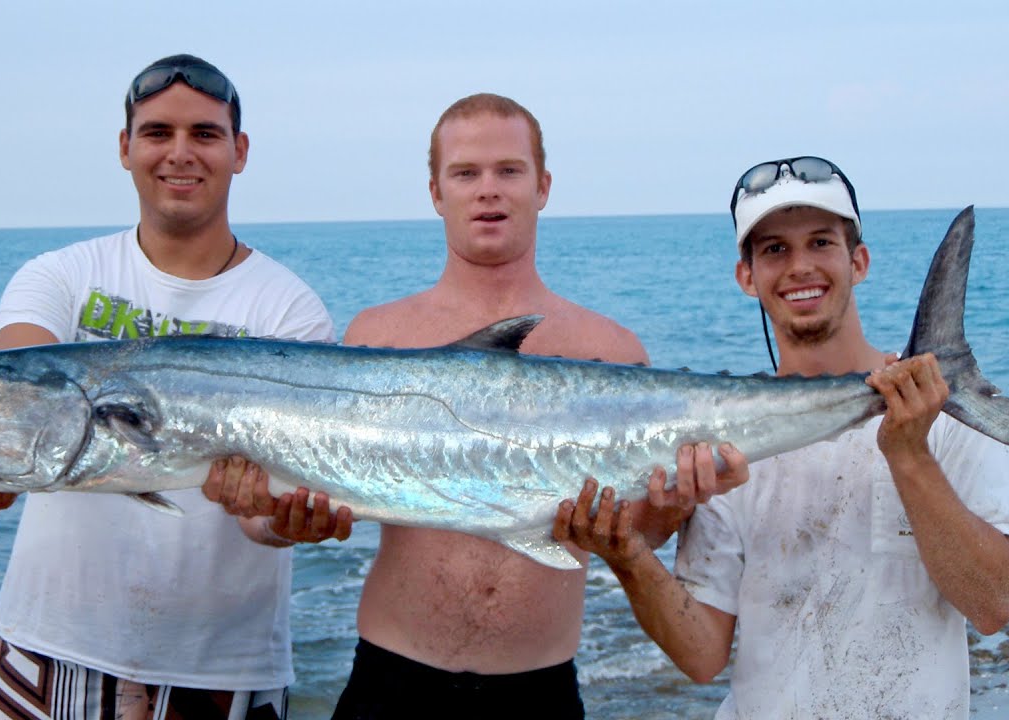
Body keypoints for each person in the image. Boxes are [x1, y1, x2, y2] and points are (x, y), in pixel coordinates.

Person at [556, 156, 1009, 718]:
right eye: (774, 249)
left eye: (821, 243)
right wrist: (629, 555)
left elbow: (993, 604)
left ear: (858, 261)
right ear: (747, 276)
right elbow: (704, 654)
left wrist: (909, 456)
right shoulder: (722, 444)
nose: (800, 267)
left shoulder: (939, 410)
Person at [319, 93, 745, 719]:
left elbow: (641, 532)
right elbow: (316, 498)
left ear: (542, 186)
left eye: (509, 171)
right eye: (466, 173)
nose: (488, 190)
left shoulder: (611, 349)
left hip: (538, 690)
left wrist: (677, 500)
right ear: (436, 192)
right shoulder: (376, 337)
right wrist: (281, 517)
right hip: (391, 681)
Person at [0, 54, 338, 720]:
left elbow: (260, 519)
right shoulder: (59, 277)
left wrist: (280, 519)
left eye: (205, 134)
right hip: (50, 649)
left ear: (239, 151)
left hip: (223, 672)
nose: (180, 153)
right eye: (158, 132)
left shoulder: (290, 310)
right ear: (125, 147)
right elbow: (13, 410)